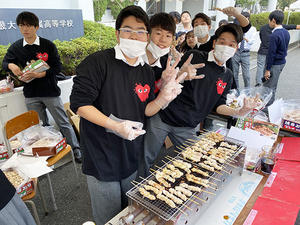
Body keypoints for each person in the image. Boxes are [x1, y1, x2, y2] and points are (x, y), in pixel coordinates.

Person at [70, 6, 184, 225]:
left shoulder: (145, 70)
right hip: (102, 156)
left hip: (130, 154)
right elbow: (80, 105)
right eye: (128, 30)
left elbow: (145, 111)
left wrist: (163, 98)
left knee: (128, 212)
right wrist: (114, 125)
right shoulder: (97, 62)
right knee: (109, 217)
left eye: (141, 31)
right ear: (117, 33)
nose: (135, 36)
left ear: (147, 37)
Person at [140, 23, 260, 177]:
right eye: (222, 42)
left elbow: (219, 105)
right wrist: (181, 74)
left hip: (188, 126)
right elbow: (167, 81)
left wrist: (239, 111)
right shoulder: (195, 56)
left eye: (231, 45)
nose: (226, 47)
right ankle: (134, 197)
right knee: (146, 158)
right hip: (163, 118)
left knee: (192, 163)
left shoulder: (227, 75)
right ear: (215, 43)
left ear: (236, 48)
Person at [2, 11, 82, 163]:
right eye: (21, 25)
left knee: (63, 122)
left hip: (50, 92)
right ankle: (47, 153)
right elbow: (5, 63)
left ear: (36, 27)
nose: (25, 29)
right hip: (31, 94)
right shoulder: (16, 47)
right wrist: (12, 65)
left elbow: (57, 67)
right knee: (39, 126)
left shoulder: (47, 45)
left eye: (28, 25)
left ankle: (76, 149)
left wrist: (40, 75)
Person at [263, 10, 290, 106]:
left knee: (268, 88)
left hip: (274, 64)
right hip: (282, 62)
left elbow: (271, 54)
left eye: (269, 20)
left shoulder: (274, 35)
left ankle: (267, 109)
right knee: (273, 86)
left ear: (273, 20)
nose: (268, 23)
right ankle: (269, 107)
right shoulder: (286, 32)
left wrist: (267, 69)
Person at [232, 11, 257, 88]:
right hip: (236, 52)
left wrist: (243, 37)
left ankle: (247, 92)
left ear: (247, 18)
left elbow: (251, 42)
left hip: (245, 53)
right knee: (234, 74)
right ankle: (237, 91)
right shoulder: (237, 28)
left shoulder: (252, 29)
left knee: (246, 75)